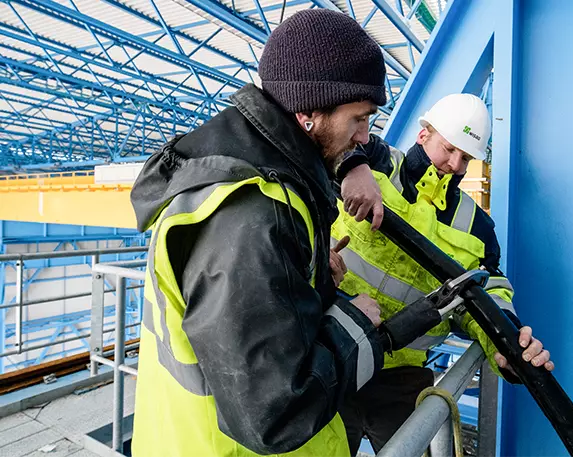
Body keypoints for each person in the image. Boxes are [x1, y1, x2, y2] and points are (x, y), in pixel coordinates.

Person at [127, 10, 429, 457]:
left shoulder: (268, 187)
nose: (365, 137)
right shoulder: (251, 215)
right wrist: (357, 323)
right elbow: (275, 414)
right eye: (359, 118)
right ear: (308, 113)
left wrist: (303, 281)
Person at [331, 93, 555, 455]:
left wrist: (506, 342)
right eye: (449, 149)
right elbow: (327, 143)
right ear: (424, 135)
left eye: (466, 157)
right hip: (332, 347)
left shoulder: (477, 227)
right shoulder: (375, 162)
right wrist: (352, 167)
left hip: (399, 372)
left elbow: (488, 290)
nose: (456, 164)